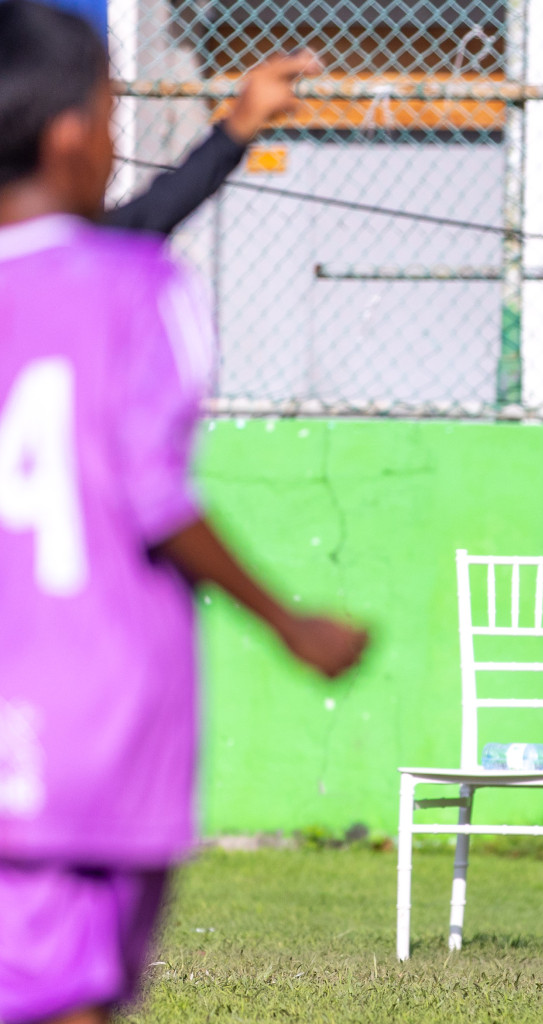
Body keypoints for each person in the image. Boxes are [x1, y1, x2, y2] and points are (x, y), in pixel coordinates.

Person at [0, 5, 369, 1024]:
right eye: (113, 116)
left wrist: (234, 131)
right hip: (94, 719)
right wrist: (289, 620)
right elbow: (150, 490)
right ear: (73, 130)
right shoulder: (131, 290)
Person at [104, 48, 323, 238]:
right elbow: (150, 215)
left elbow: (150, 214)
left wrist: (237, 128)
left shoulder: (88, 244)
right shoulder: (94, 246)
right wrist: (236, 128)